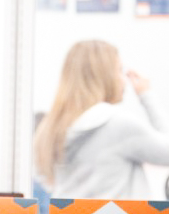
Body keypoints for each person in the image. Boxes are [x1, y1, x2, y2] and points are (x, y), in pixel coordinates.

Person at [34, 39, 169, 199]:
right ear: (104, 76)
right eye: (119, 71)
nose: (123, 79)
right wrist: (146, 95)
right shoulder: (118, 125)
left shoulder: (52, 129)